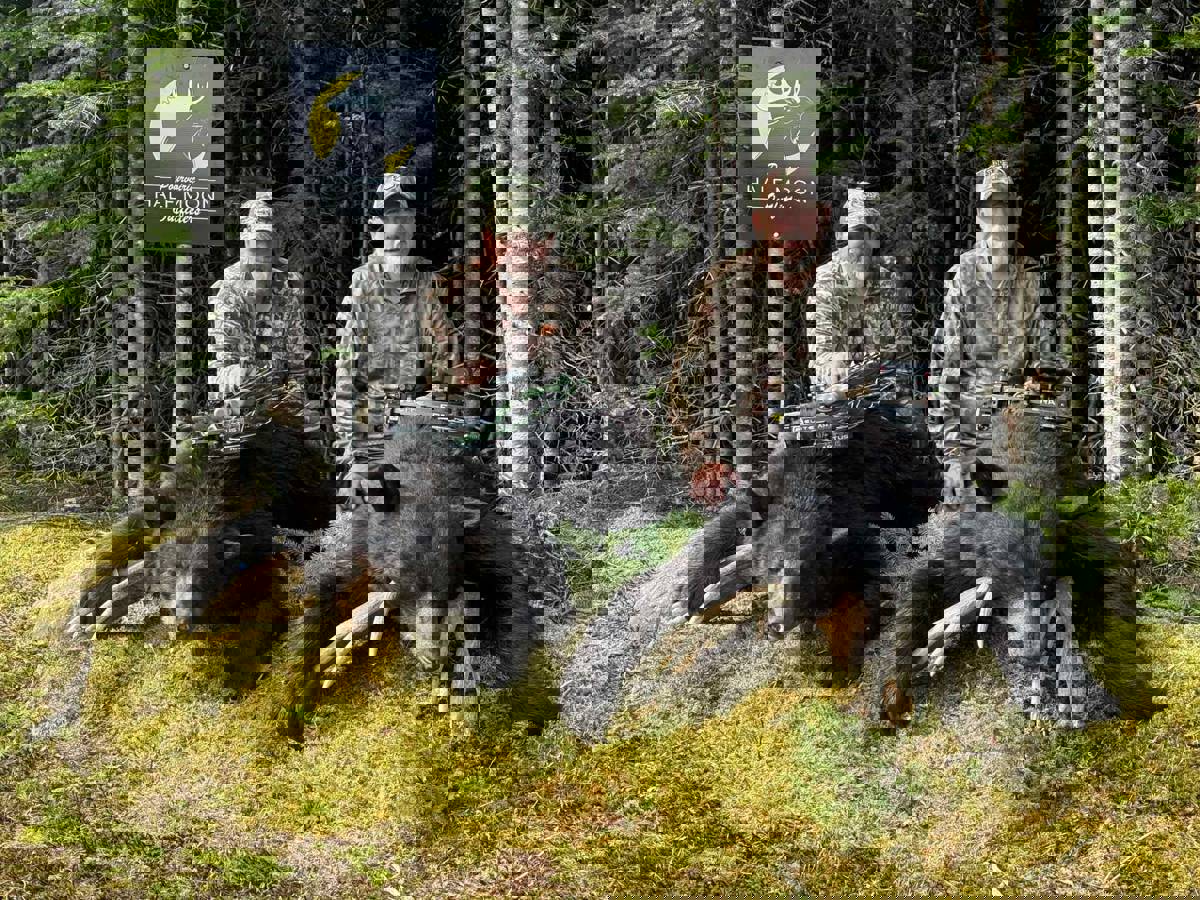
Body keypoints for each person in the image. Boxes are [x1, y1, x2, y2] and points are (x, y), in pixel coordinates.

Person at [810, 186, 903, 396]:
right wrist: (833, 363)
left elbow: (900, 344)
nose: (862, 242)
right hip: (837, 386)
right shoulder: (827, 281)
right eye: (856, 233)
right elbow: (820, 348)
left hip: (882, 382)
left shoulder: (888, 280)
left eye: (868, 233)